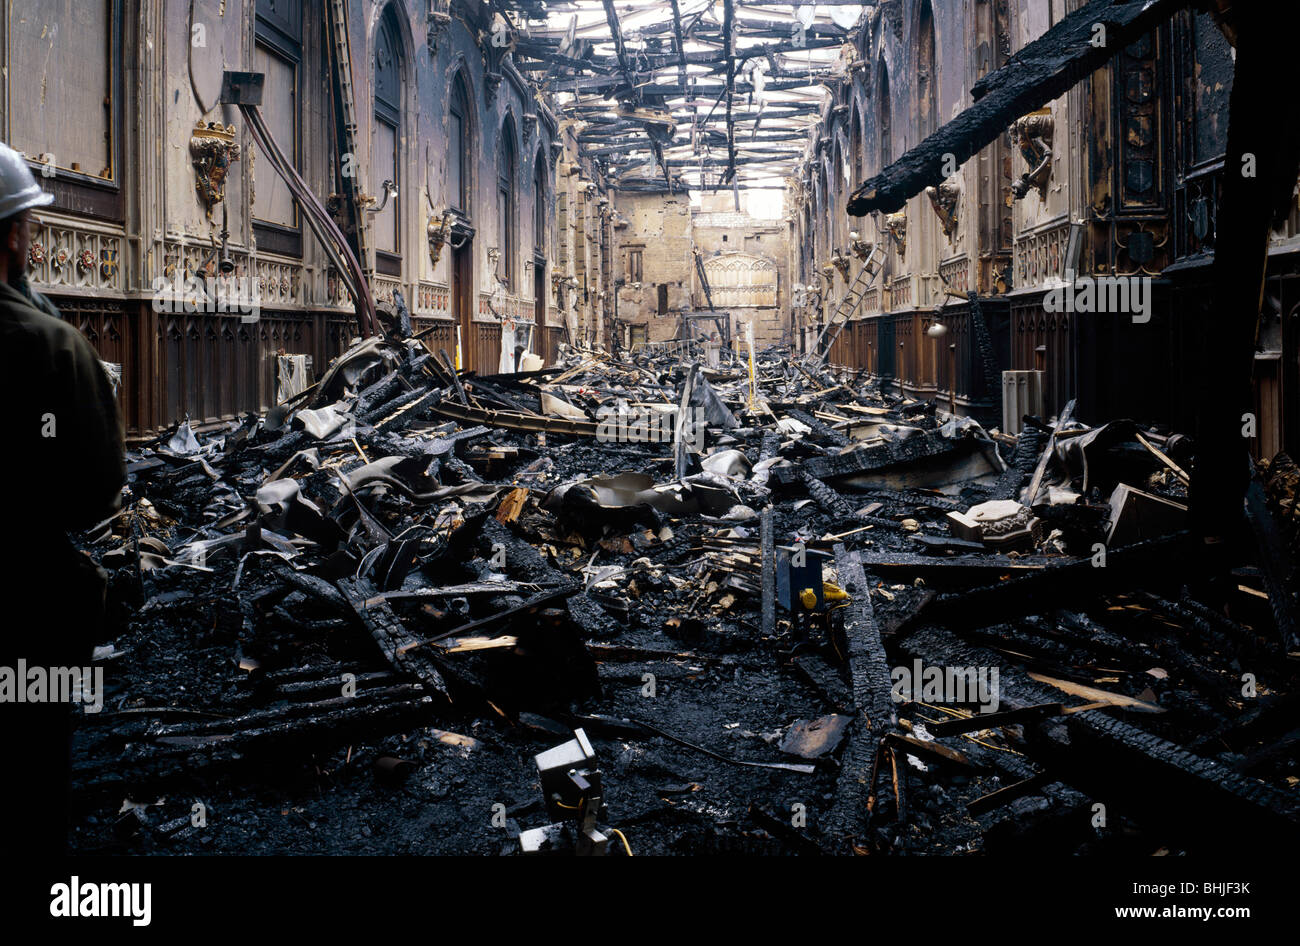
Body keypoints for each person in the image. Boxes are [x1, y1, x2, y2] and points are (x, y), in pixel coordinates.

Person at [0, 141, 125, 856]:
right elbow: (95, 492)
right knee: (36, 771)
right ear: (16, 234)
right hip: (29, 616)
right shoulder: (50, 346)